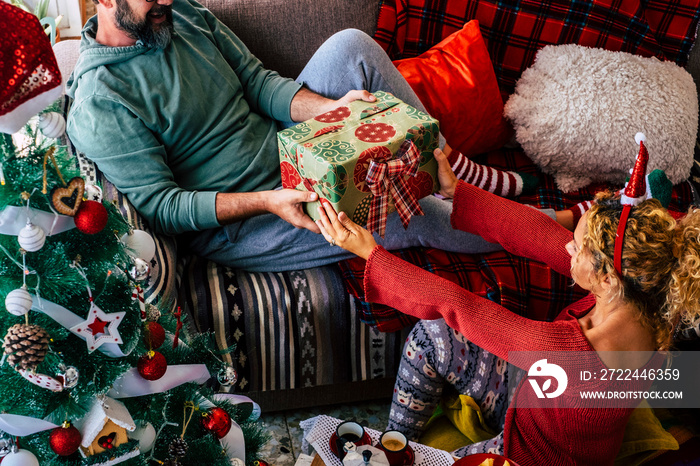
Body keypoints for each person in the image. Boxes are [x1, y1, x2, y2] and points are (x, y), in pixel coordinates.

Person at [64, 0, 540, 272]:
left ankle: (450, 167)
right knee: (402, 202)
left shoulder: (182, 14)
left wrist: (331, 109)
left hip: (294, 151)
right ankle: (558, 232)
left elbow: (256, 82)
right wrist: (269, 200)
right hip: (248, 220)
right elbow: (163, 207)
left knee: (349, 46)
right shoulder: (101, 99)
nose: (166, 2)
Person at [315, 147, 700, 464]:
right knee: (433, 335)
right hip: (536, 403)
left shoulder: (578, 352)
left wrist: (371, 254)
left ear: (607, 278)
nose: (568, 246)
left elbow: (462, 307)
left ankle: (397, 458)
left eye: (578, 247)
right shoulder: (646, 293)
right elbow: (539, 235)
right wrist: (458, 189)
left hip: (526, 455)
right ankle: (393, 444)